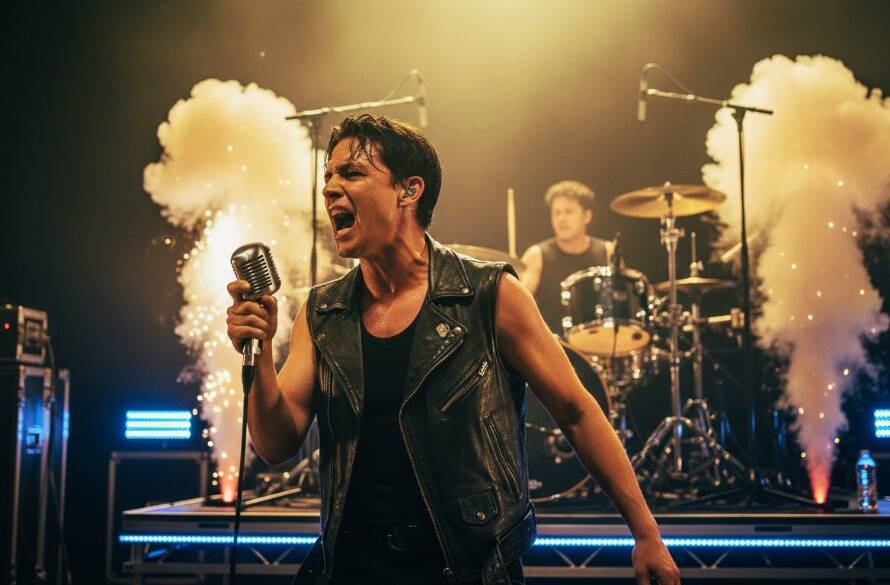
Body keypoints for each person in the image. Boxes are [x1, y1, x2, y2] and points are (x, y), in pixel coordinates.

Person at [226, 115, 679, 585]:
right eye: (329, 177)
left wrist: (646, 534)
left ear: (409, 190)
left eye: (352, 174)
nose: (330, 189)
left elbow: (577, 412)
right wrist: (257, 354)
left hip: (466, 568)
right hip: (352, 567)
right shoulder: (323, 311)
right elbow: (276, 444)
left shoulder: (490, 295)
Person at [519, 180, 617, 335]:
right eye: (556, 213)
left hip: (601, 343)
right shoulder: (536, 255)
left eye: (568, 212)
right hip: (551, 347)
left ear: (587, 216)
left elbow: (622, 301)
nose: (561, 219)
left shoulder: (608, 251)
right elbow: (518, 305)